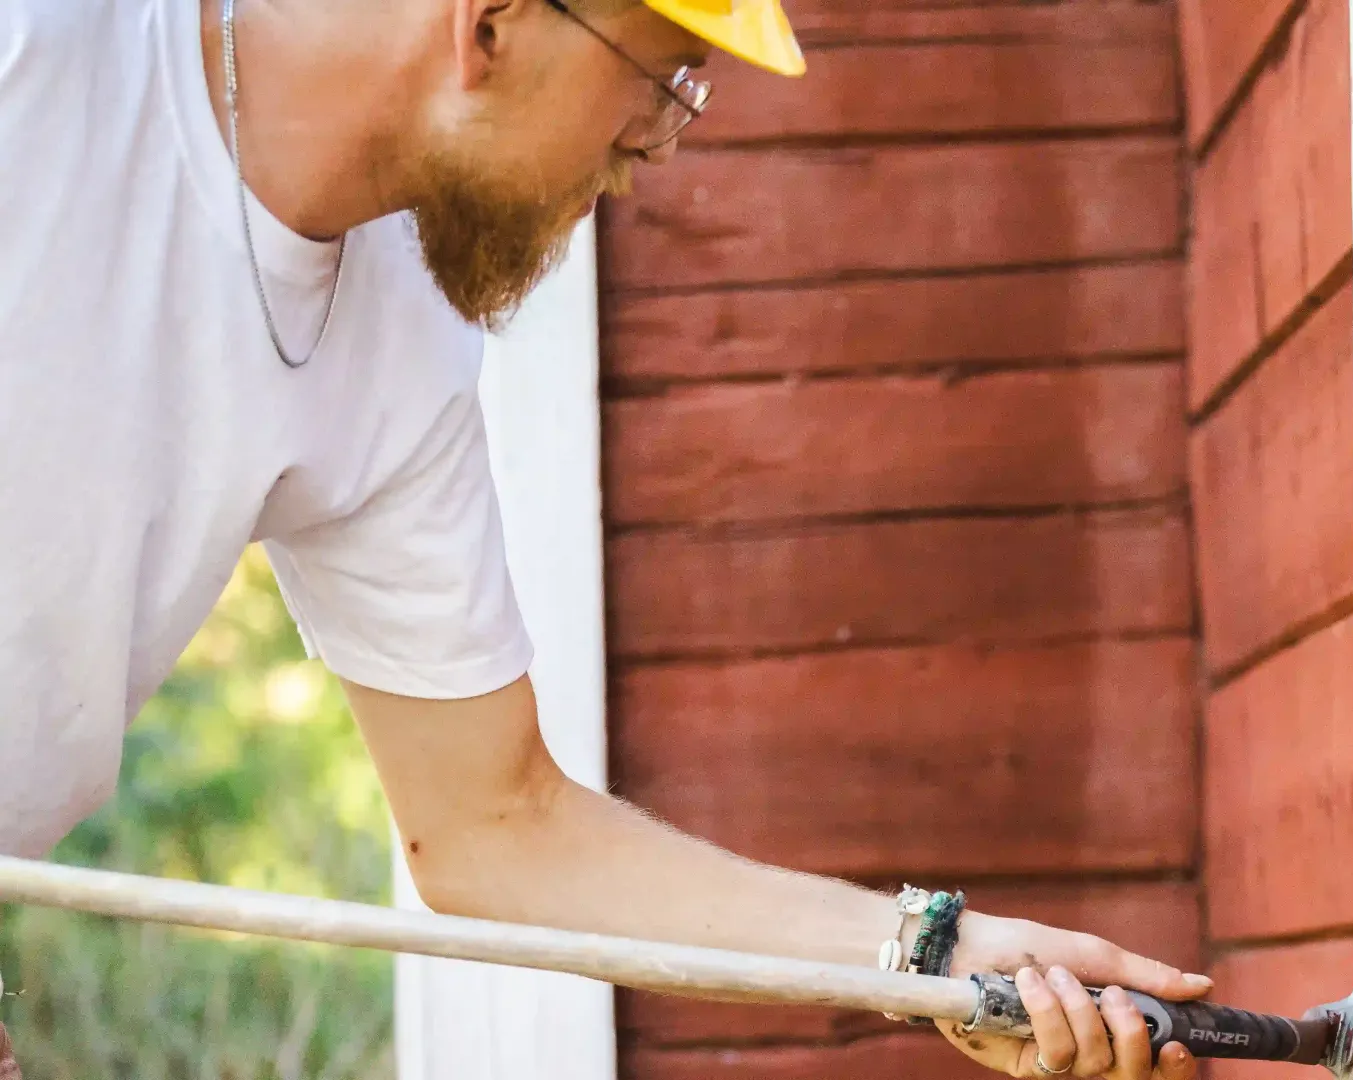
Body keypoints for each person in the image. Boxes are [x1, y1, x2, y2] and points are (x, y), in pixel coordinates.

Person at [0, 2, 1208, 1077]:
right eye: (663, 76)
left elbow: (496, 828)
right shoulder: (37, 52)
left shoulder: (404, 350)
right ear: (490, 27)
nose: (657, 147)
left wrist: (931, 954)